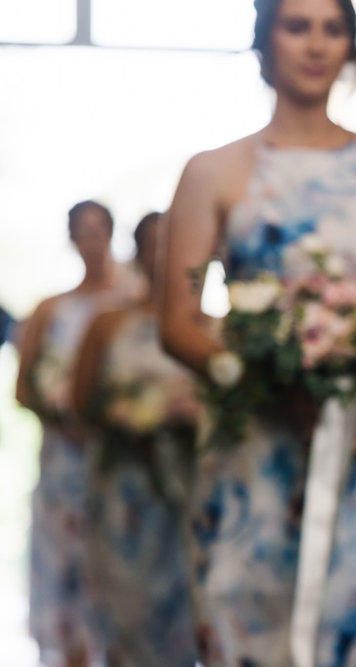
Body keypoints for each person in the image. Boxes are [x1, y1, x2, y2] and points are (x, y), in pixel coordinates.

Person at [157, 0, 356, 664]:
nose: (315, 43)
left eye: (332, 27)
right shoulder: (214, 170)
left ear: (350, 45)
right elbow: (178, 321)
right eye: (296, 25)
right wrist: (265, 384)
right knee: (247, 625)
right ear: (265, 39)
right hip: (257, 445)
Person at [72, 212, 200, 667]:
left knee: (189, 605)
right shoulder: (109, 324)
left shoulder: (209, 327)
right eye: (153, 244)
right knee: (128, 605)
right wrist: (131, 418)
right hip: (126, 487)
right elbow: (80, 401)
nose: (163, 255)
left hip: (190, 486)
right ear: (137, 252)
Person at [15, 200, 136, 666]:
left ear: (111, 233)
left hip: (121, 453)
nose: (91, 239)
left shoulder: (130, 304)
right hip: (66, 458)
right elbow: (24, 388)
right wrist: (65, 419)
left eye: (98, 228)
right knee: (65, 560)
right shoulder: (50, 309)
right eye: (81, 230)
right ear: (71, 239)